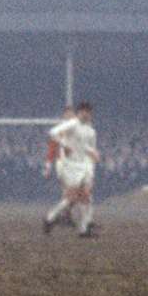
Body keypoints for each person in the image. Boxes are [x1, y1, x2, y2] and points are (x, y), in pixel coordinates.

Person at [43, 102, 99, 237]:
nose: (86, 115)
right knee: (73, 197)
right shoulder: (72, 124)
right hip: (70, 165)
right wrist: (64, 145)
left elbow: (88, 147)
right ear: (79, 113)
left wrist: (94, 153)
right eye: (83, 112)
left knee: (86, 196)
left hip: (84, 165)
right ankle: (50, 218)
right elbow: (52, 132)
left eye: (88, 112)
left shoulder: (91, 131)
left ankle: (84, 229)